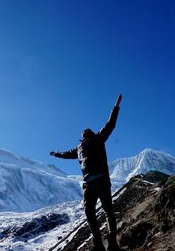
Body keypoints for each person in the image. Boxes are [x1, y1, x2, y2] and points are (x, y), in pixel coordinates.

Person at [50, 94, 122, 251]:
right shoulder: (82, 147)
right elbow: (110, 125)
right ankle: (104, 243)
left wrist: (115, 108)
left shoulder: (97, 139)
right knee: (102, 211)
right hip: (95, 182)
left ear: (87, 135)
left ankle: (108, 243)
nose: (84, 133)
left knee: (95, 212)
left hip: (92, 182)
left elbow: (110, 124)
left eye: (85, 132)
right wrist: (56, 153)